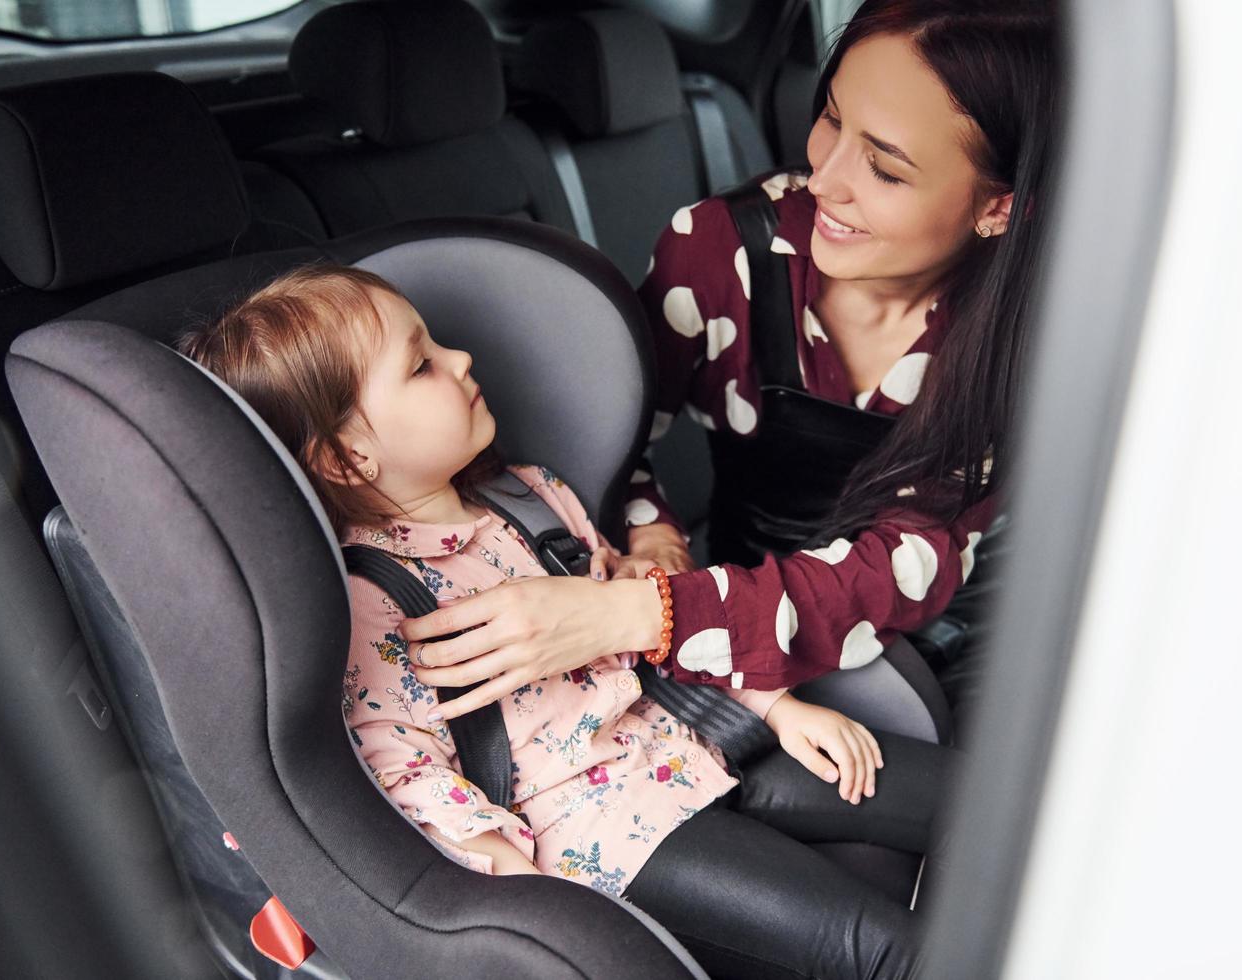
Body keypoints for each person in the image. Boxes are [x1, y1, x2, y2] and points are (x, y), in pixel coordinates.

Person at [181, 264, 961, 977]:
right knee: (887, 948)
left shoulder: (530, 494)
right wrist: (526, 904)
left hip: (697, 733)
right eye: (422, 365)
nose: (460, 360)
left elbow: (645, 631)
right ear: (348, 459)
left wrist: (777, 706)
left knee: (977, 801)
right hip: (611, 832)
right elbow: (403, 766)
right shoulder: (371, 597)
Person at [400, 1, 1057, 734]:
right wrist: (652, 536)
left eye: (884, 168)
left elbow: (901, 568)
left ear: (999, 209)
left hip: (949, 617)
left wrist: (641, 615)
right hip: (732, 604)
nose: (825, 179)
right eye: (833, 120)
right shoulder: (719, 252)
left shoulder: (1024, 329)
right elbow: (610, 442)